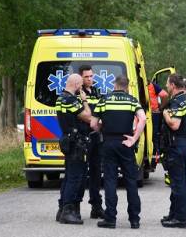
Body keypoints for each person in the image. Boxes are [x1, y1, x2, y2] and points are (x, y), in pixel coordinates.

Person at [90, 75, 146, 229]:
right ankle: (134, 220)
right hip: (126, 143)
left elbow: (93, 123)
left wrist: (102, 127)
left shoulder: (104, 100)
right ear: (127, 86)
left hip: (109, 143)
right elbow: (143, 119)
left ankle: (110, 219)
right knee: (131, 181)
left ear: (114, 85)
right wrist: (134, 138)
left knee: (110, 180)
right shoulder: (132, 100)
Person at [160, 74, 186, 228]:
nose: (167, 87)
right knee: (185, 179)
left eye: (168, 84)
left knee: (177, 182)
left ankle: (180, 219)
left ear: (174, 85)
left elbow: (174, 125)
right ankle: (182, 213)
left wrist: (165, 114)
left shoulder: (176, 102)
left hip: (177, 144)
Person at [56, 74, 92, 224]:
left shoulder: (60, 98)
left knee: (69, 175)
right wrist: (84, 100)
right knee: (76, 177)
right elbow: (88, 117)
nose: (81, 88)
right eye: (81, 85)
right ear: (77, 84)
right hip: (76, 143)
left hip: (68, 140)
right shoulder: (71, 100)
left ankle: (62, 209)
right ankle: (68, 211)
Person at [78, 65, 105, 219]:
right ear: (80, 77)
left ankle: (96, 206)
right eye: (86, 76)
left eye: (91, 76)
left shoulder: (96, 91)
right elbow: (85, 116)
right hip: (83, 137)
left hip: (96, 137)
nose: (89, 79)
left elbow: (101, 110)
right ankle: (73, 207)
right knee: (80, 174)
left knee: (96, 172)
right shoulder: (77, 94)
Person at [147, 80, 169, 157]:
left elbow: (165, 95)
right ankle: (155, 152)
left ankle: (155, 153)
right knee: (154, 134)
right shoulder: (152, 85)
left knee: (152, 134)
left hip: (146, 112)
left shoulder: (151, 86)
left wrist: (161, 108)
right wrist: (161, 108)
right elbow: (165, 95)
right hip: (153, 113)